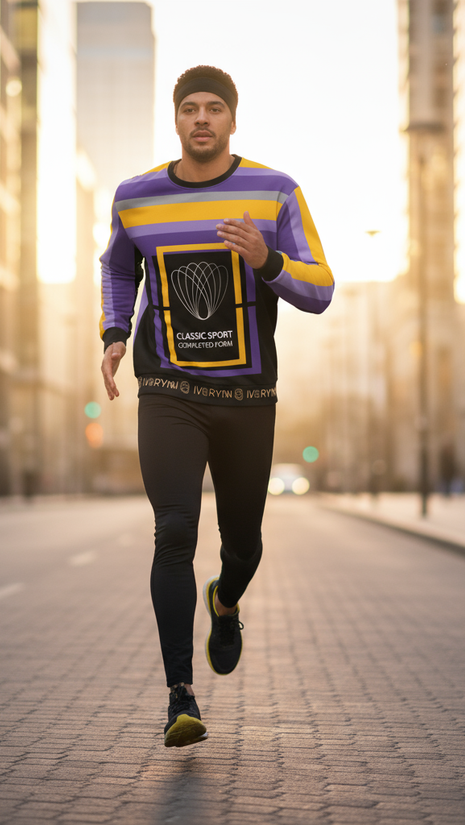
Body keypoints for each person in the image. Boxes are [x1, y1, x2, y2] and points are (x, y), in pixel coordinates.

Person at [100, 65, 334, 748]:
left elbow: (320, 289)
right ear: (176, 119)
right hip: (169, 390)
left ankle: (225, 601)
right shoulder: (135, 196)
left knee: (245, 544)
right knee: (174, 528)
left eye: (214, 108)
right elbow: (118, 266)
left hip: (247, 397)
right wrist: (115, 333)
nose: (201, 119)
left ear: (232, 119)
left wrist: (267, 260)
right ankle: (181, 693)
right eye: (189, 109)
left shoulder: (275, 191)